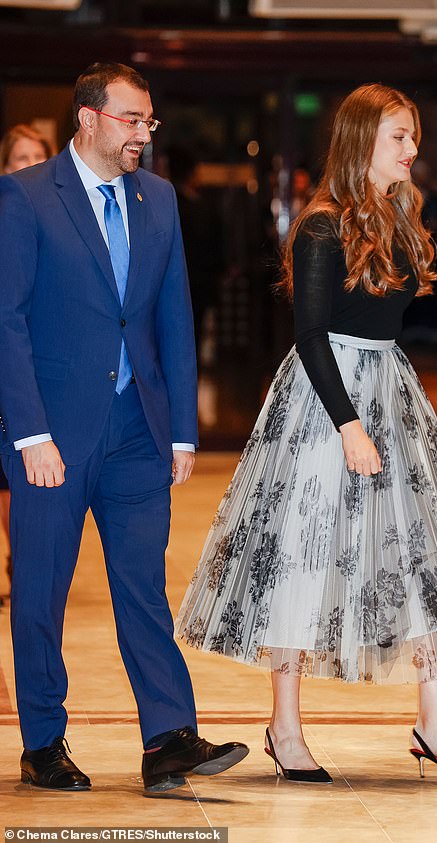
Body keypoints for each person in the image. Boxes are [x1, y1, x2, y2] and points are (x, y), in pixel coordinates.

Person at [176, 84, 437, 783]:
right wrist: (348, 424)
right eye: (400, 137)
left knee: (422, 556)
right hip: (328, 400)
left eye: (414, 136)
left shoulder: (401, 217)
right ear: (362, 143)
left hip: (391, 387)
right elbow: (310, 335)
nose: (414, 149)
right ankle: (284, 728)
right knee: (303, 556)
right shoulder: (323, 224)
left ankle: (434, 722)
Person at [0, 62, 248, 793]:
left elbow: (172, 312)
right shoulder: (25, 196)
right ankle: (43, 740)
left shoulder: (159, 198)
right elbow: (6, 321)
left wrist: (178, 433)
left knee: (141, 585)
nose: (143, 133)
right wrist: (28, 433)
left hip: (137, 429)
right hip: (52, 436)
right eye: (131, 120)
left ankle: (168, 736)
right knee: (41, 592)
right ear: (88, 118)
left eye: (148, 122)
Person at [0, 124, 55, 592]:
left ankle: (22, 559)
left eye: (38, 155)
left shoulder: (61, 218)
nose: (29, 164)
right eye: (20, 157)